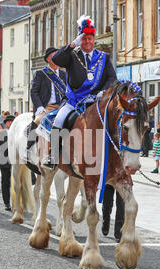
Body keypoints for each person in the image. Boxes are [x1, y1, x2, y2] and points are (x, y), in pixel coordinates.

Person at [44, 16, 117, 168]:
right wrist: (72, 45)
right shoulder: (72, 55)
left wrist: (103, 92)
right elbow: (56, 59)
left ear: (94, 39)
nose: (87, 42)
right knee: (59, 119)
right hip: (74, 101)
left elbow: (112, 78)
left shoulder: (103, 57)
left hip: (97, 101)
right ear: (79, 39)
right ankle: (53, 155)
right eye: (84, 39)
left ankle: (116, 156)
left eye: (90, 38)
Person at [27, 46, 67, 155]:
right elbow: (34, 92)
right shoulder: (41, 73)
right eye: (54, 56)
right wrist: (39, 107)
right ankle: (28, 147)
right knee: (38, 120)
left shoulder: (64, 74)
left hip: (62, 106)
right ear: (48, 59)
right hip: (47, 107)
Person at [0, 115, 15, 211]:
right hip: (4, 162)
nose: (10, 123)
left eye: (12, 121)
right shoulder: (2, 133)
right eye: (8, 122)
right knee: (5, 183)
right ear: (5, 124)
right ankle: (7, 203)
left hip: (16, 162)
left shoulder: (18, 133)